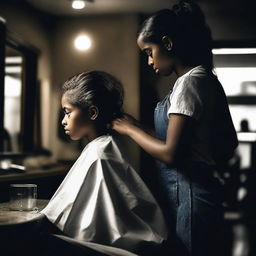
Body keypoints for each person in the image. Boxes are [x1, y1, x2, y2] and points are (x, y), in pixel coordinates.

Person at [112, 1, 238, 255]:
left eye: (149, 51)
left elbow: (170, 152)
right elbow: (184, 141)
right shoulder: (203, 78)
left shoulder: (189, 83)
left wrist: (131, 131)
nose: (149, 61)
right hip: (193, 194)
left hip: (192, 197)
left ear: (168, 43)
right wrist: (137, 125)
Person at [41, 70, 168, 255]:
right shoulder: (99, 147)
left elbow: (99, 230)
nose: (63, 121)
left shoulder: (101, 154)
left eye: (68, 113)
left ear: (92, 112)